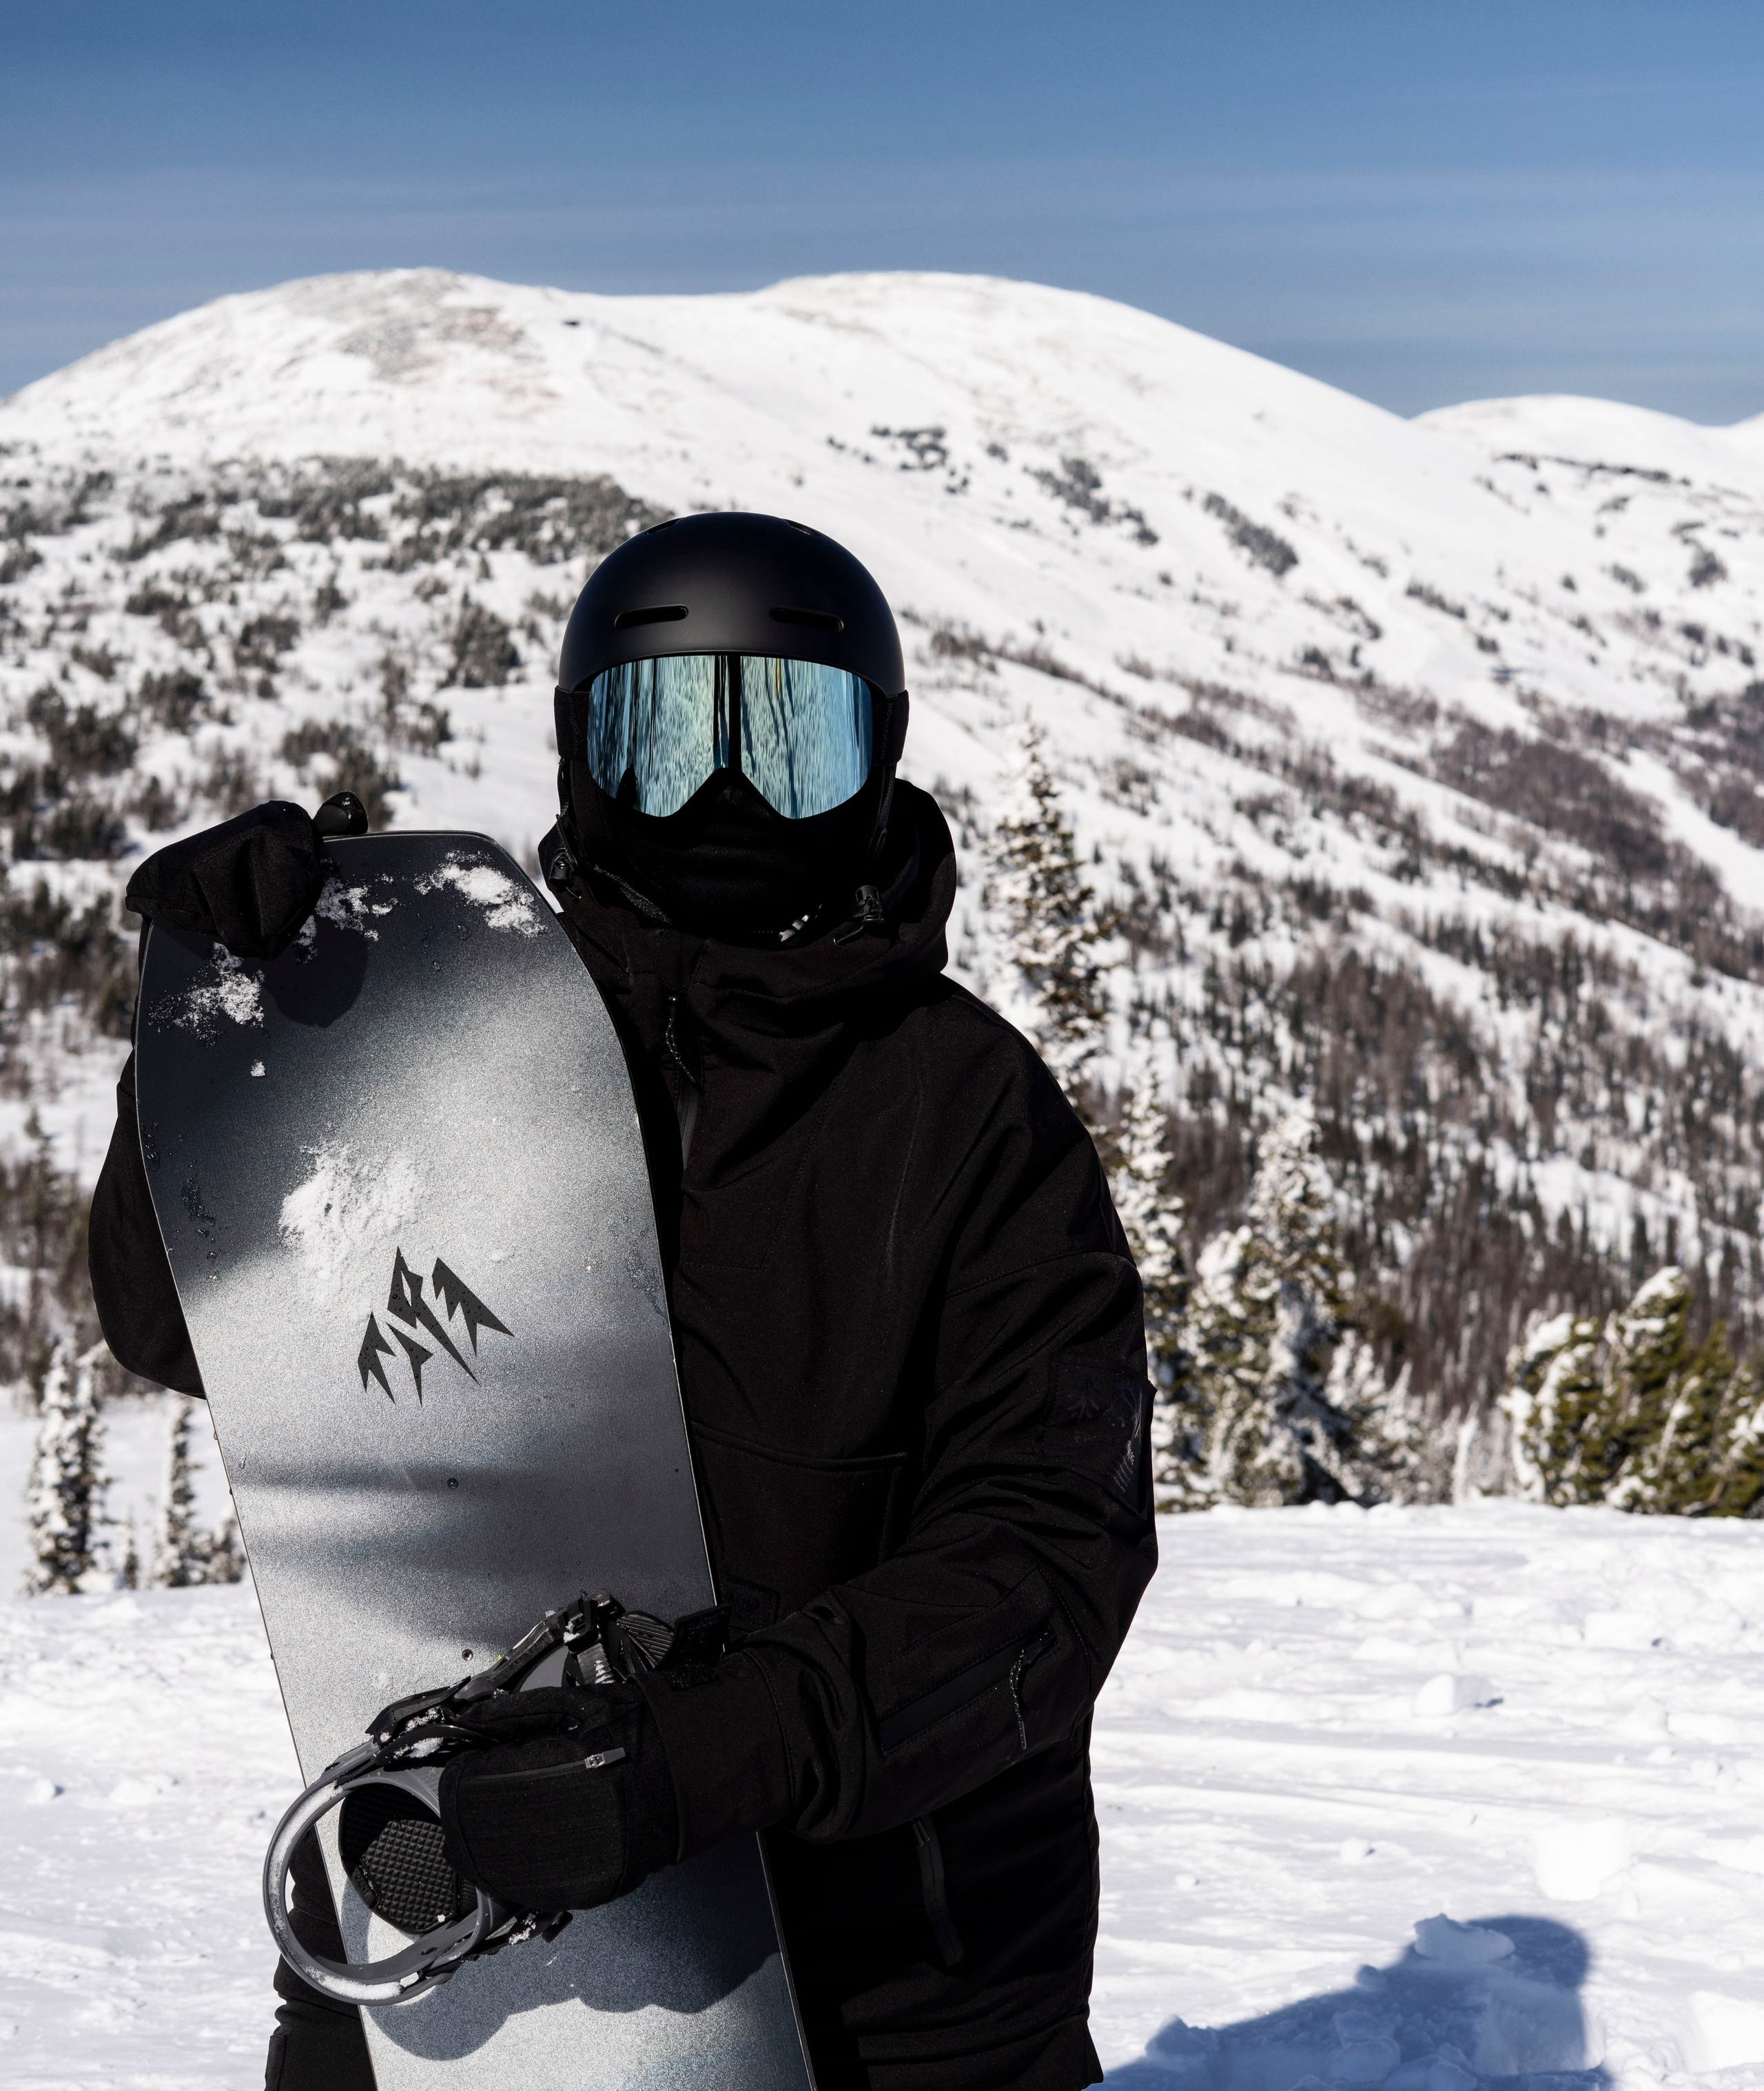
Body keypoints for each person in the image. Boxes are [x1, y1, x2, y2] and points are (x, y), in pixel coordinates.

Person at [90, 509, 1156, 2091]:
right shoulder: (455, 1037)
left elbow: (1045, 1559)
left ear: (881, 761)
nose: (723, 795)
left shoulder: (965, 1110)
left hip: (893, 1994)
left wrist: (706, 1756)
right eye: (666, 736)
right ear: (583, 753)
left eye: (785, 739)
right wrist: (242, 1048)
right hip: (456, 1936)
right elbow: (181, 1327)